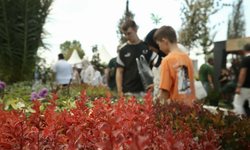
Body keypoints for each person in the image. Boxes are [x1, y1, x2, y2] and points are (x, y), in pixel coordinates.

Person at [153, 26, 196, 104]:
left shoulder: (167, 60)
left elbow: (165, 91)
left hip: (175, 109)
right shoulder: (188, 59)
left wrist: (157, 107)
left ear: (164, 41)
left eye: (159, 45)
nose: (160, 48)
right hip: (190, 107)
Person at [116, 20, 156, 97]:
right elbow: (119, 72)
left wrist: (156, 84)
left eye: (129, 33)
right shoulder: (123, 50)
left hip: (147, 91)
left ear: (135, 29)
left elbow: (156, 66)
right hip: (128, 91)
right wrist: (119, 92)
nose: (127, 37)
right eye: (125, 34)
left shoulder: (147, 47)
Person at [144, 29, 188, 99]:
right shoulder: (158, 57)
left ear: (163, 41)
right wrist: (156, 85)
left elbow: (166, 90)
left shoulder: (169, 59)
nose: (149, 48)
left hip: (171, 102)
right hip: (183, 101)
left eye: (158, 44)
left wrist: (160, 104)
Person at [233, 44, 250, 117]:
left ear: (244, 50)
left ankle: (242, 122)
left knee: (237, 104)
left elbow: (243, 73)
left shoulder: (246, 59)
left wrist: (239, 86)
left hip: (245, 86)